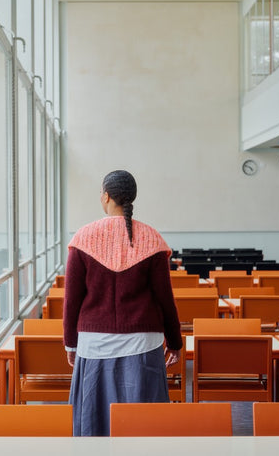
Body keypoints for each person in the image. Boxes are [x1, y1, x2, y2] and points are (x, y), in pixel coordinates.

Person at [63, 169, 182, 436]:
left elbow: (72, 300)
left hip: (94, 342)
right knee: (142, 421)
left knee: (94, 416)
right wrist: (175, 342)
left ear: (106, 196)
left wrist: (71, 342)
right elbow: (165, 298)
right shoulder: (152, 239)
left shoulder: (83, 238)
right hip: (143, 341)